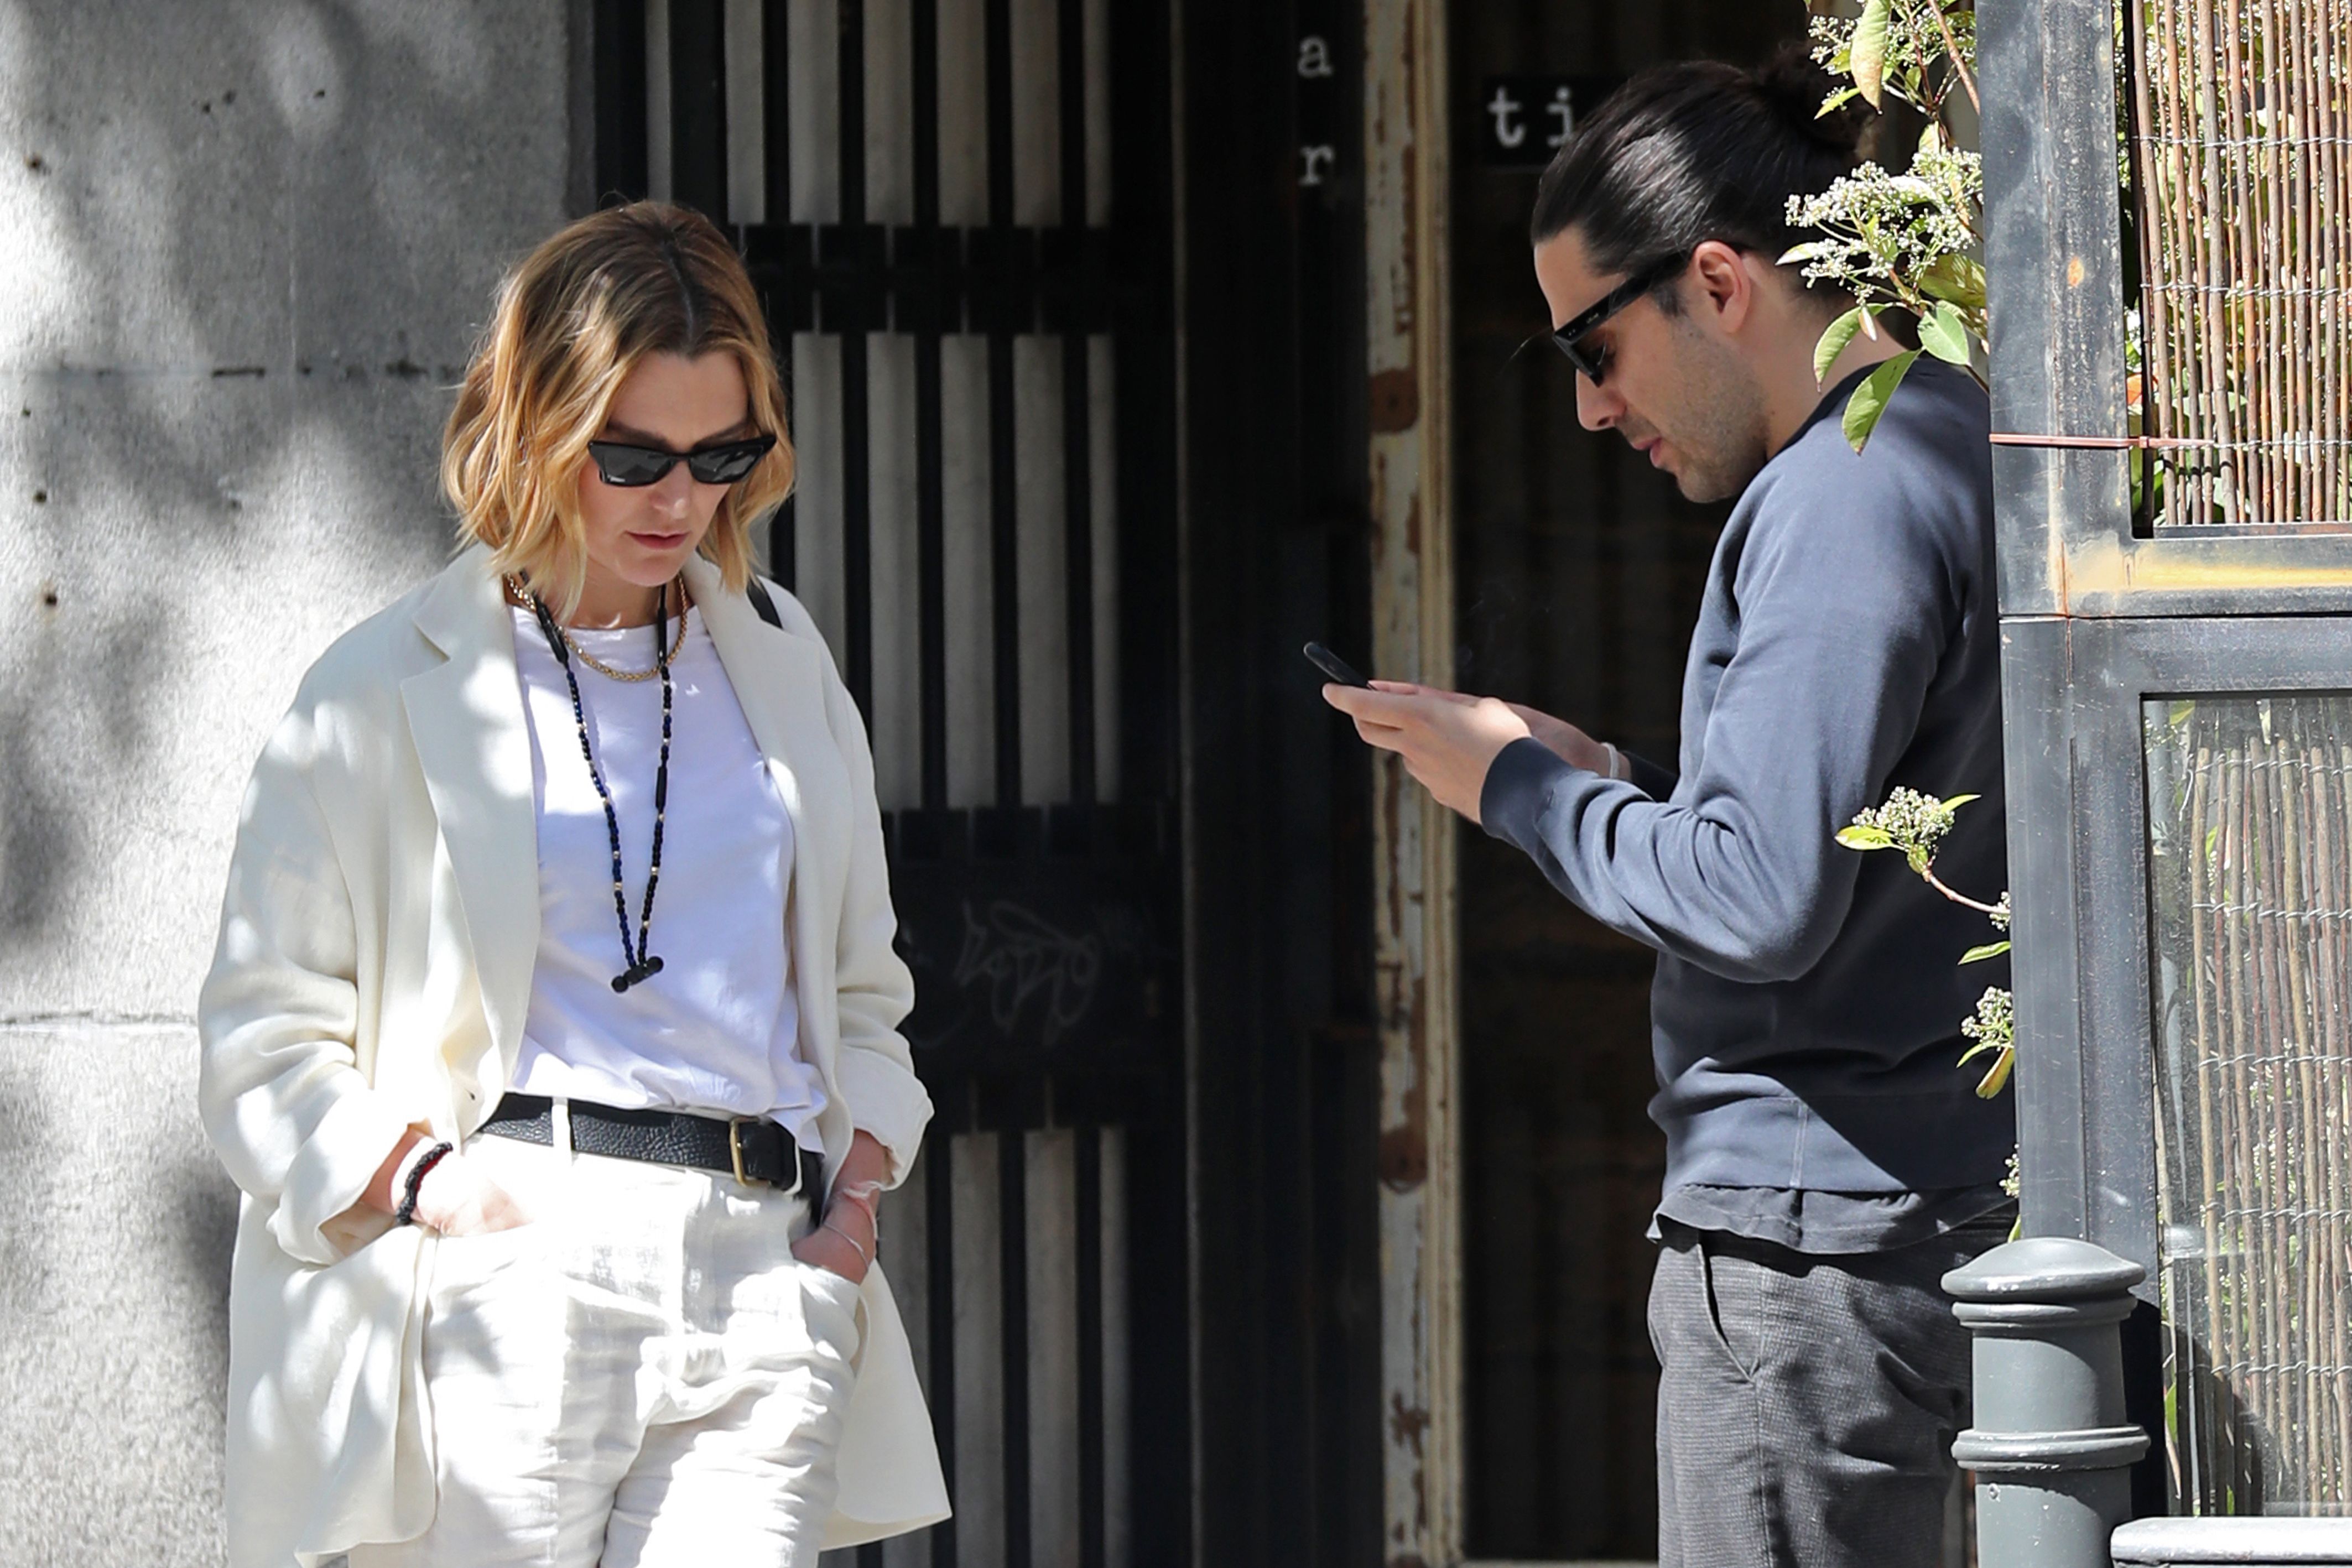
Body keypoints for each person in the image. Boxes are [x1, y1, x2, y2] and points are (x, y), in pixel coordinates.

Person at [1324, 54, 2013, 1568]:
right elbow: (1851, 847)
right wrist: (1615, 784)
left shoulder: (1841, 486)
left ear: (1715, 281)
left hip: (1809, 1243)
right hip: (1922, 1210)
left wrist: (1517, 786)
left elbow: (1754, 895)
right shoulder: (1949, 436)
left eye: (1593, 345)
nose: (1584, 408)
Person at [197, 201, 948, 1567]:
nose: (680, 501)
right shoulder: (379, 692)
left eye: (721, 454)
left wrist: (852, 1211)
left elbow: (858, 986)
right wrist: (438, 1192)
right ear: (541, 428)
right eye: (633, 456)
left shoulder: (782, 663)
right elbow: (262, 1032)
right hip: (515, 1262)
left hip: (762, 1274)